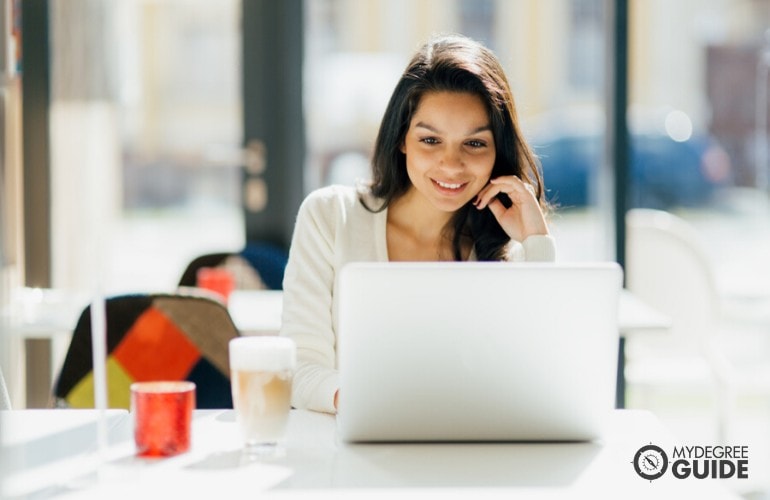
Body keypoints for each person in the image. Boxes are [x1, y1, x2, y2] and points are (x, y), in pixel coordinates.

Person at [280, 34, 556, 414]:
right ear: (402, 140)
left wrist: (536, 242)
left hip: (472, 452)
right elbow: (301, 371)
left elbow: (544, 377)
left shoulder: (506, 246)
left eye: (474, 144)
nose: (451, 164)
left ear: (498, 152)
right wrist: (383, 406)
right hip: (358, 451)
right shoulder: (330, 216)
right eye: (430, 140)